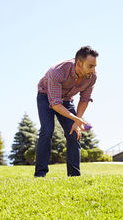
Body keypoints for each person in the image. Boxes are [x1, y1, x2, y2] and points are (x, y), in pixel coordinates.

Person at [35, 46, 98, 177]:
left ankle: (74, 176)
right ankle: (40, 175)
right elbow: (55, 104)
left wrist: (77, 120)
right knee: (47, 131)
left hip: (66, 100)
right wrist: (76, 119)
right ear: (79, 63)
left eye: (95, 66)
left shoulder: (91, 77)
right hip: (46, 97)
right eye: (90, 66)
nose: (94, 70)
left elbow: (84, 99)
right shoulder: (57, 72)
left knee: (74, 133)